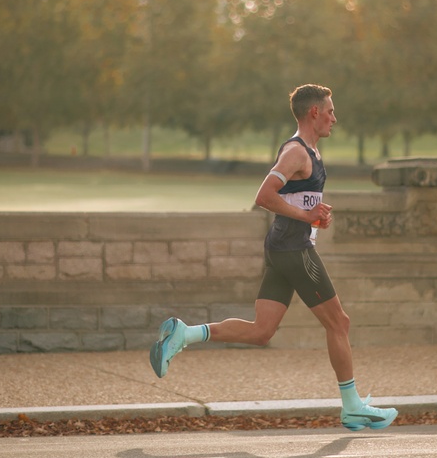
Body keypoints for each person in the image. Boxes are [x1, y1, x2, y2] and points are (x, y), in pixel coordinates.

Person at [149, 84, 398, 432]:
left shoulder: (310, 152)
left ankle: (184, 334)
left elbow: (296, 202)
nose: (334, 118)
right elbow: (264, 196)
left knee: (262, 331)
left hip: (284, 247)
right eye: (330, 111)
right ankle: (353, 407)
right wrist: (307, 218)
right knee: (339, 323)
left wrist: (316, 214)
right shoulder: (296, 153)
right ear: (314, 112)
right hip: (293, 250)